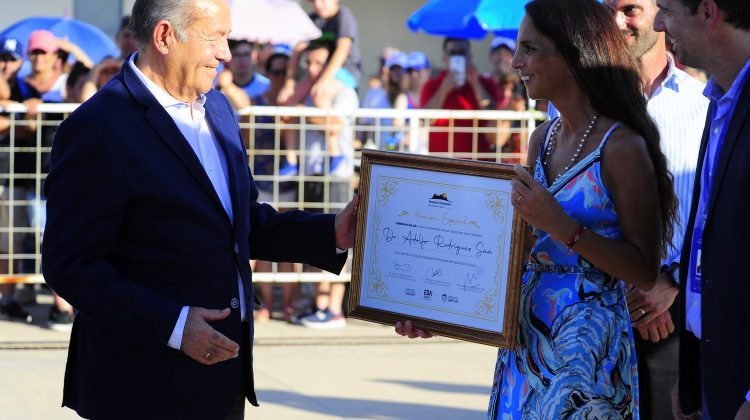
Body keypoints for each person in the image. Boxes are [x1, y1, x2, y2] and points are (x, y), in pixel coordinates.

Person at [41, 0, 357, 418]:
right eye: (216, 36)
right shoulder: (97, 128)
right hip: (139, 389)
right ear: (166, 37)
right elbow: (69, 264)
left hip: (219, 378)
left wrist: (331, 232)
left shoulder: (218, 108)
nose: (226, 53)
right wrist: (172, 326)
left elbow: (241, 221)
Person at [398, 0, 678, 417]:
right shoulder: (541, 138)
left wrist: (564, 228)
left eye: (529, 49)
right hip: (527, 343)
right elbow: (516, 249)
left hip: (587, 353)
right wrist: (438, 309)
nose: (514, 62)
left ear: (572, 55)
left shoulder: (621, 146)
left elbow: (642, 268)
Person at [602, 1, 709, 419]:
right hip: (599, 316)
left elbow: (712, 214)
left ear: (661, 13)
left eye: (630, 9)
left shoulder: (704, 104)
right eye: (607, 8)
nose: (616, 22)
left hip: (674, 320)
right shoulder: (578, 105)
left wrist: (672, 283)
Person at [652, 0, 750, 418]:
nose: (659, 23)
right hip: (711, 379)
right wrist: (691, 378)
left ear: (708, 12)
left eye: (667, 10)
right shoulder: (720, 98)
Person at [293, 41, 358, 329]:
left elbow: (334, 126)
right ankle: (317, 305)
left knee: (339, 239)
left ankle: (332, 307)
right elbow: (286, 109)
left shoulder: (345, 93)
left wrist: (311, 109)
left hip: (337, 174)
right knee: (314, 236)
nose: (313, 69)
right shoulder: (306, 91)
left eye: (318, 62)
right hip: (312, 172)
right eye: (309, 63)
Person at [420, 38, 502, 157]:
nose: (458, 57)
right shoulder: (431, 85)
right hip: (441, 164)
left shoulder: (487, 83)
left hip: (478, 164)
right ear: (445, 59)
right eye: (453, 53)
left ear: (470, 57)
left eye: (462, 52)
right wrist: (444, 89)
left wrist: (476, 84)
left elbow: (493, 119)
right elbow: (426, 120)